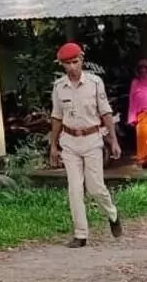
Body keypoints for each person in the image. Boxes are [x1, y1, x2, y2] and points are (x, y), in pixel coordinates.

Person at [49, 42, 123, 248]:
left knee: (96, 188)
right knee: (74, 189)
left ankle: (113, 215)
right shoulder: (59, 86)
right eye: (67, 63)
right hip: (69, 140)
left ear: (82, 60)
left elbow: (105, 112)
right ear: (62, 65)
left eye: (75, 62)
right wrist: (53, 146)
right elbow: (56, 116)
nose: (72, 67)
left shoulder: (95, 83)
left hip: (92, 139)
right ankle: (80, 234)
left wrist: (113, 141)